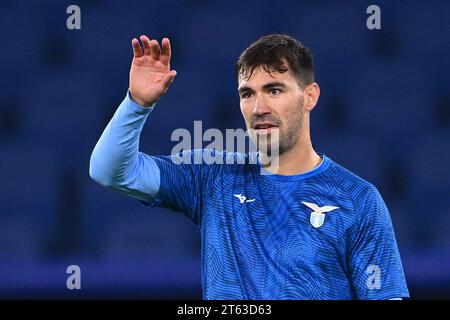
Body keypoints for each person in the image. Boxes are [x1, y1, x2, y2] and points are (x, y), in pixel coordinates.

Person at [89, 33, 409, 299]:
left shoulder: (358, 198)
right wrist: (137, 104)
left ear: (309, 96)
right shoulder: (214, 177)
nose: (258, 108)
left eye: (274, 90)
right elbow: (110, 171)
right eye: (247, 94)